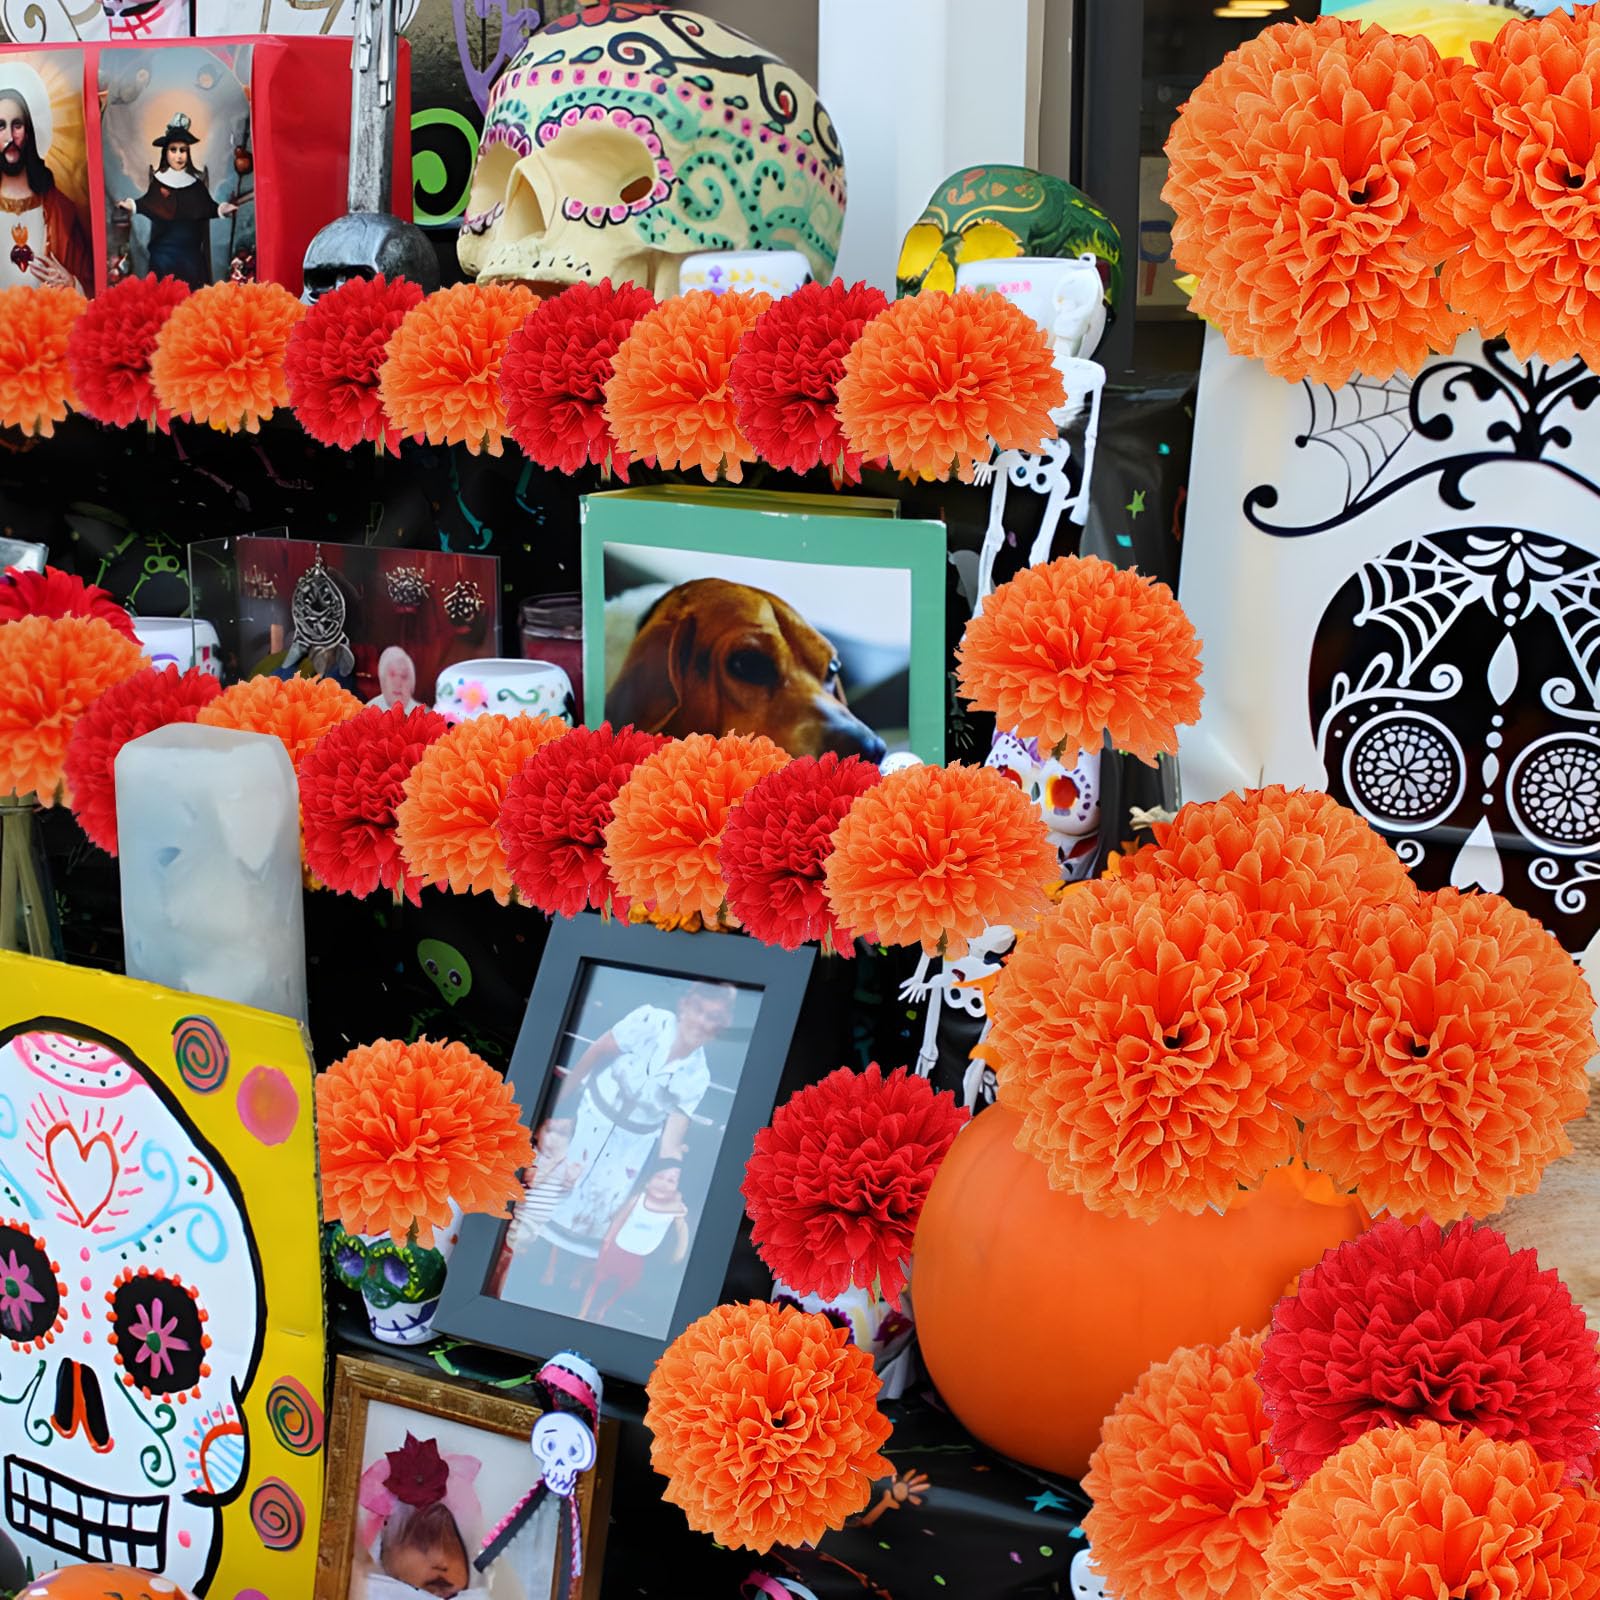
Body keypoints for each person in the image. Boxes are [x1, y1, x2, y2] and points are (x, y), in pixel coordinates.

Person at [537, 983, 736, 1281]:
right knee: (554, 1185)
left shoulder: (697, 1075)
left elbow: (671, 1140)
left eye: (714, 1017)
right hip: (592, 1119)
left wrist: (671, 1177)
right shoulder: (650, 1021)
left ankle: (566, 1279)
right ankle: (533, 1256)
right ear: (685, 1005)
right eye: (699, 1010)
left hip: (631, 1147)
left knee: (598, 1209)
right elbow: (596, 1052)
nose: (702, 1022)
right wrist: (554, 1108)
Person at [116, 113, 237, 288]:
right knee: (162, 273)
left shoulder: (195, 184)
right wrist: (131, 205)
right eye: (173, 150)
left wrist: (222, 209)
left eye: (183, 150)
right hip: (163, 252)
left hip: (190, 253)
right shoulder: (159, 182)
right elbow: (147, 203)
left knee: (193, 274)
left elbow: (208, 207)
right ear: (165, 153)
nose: (179, 156)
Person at [0, 84, 91, 291]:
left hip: (50, 311)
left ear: (28, 132)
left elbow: (90, 286)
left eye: (17, 125)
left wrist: (72, 284)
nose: (10, 137)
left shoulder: (60, 208)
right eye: (1, 126)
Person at [578, 1160, 690, 1325]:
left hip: (640, 1257)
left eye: (671, 1180)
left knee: (624, 1286)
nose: (663, 1184)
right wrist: (607, 1240)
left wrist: (679, 1253)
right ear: (648, 1180)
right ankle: (582, 1313)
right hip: (617, 1249)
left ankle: (602, 1310)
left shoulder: (676, 1209)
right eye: (660, 1177)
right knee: (598, 1280)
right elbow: (619, 1219)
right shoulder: (638, 1199)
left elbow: (682, 1231)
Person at [368, 645, 423, 712]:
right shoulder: (368, 710)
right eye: (392, 675)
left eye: (404, 676)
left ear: (412, 683)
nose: (398, 683)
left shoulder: (424, 713)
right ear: (383, 679)